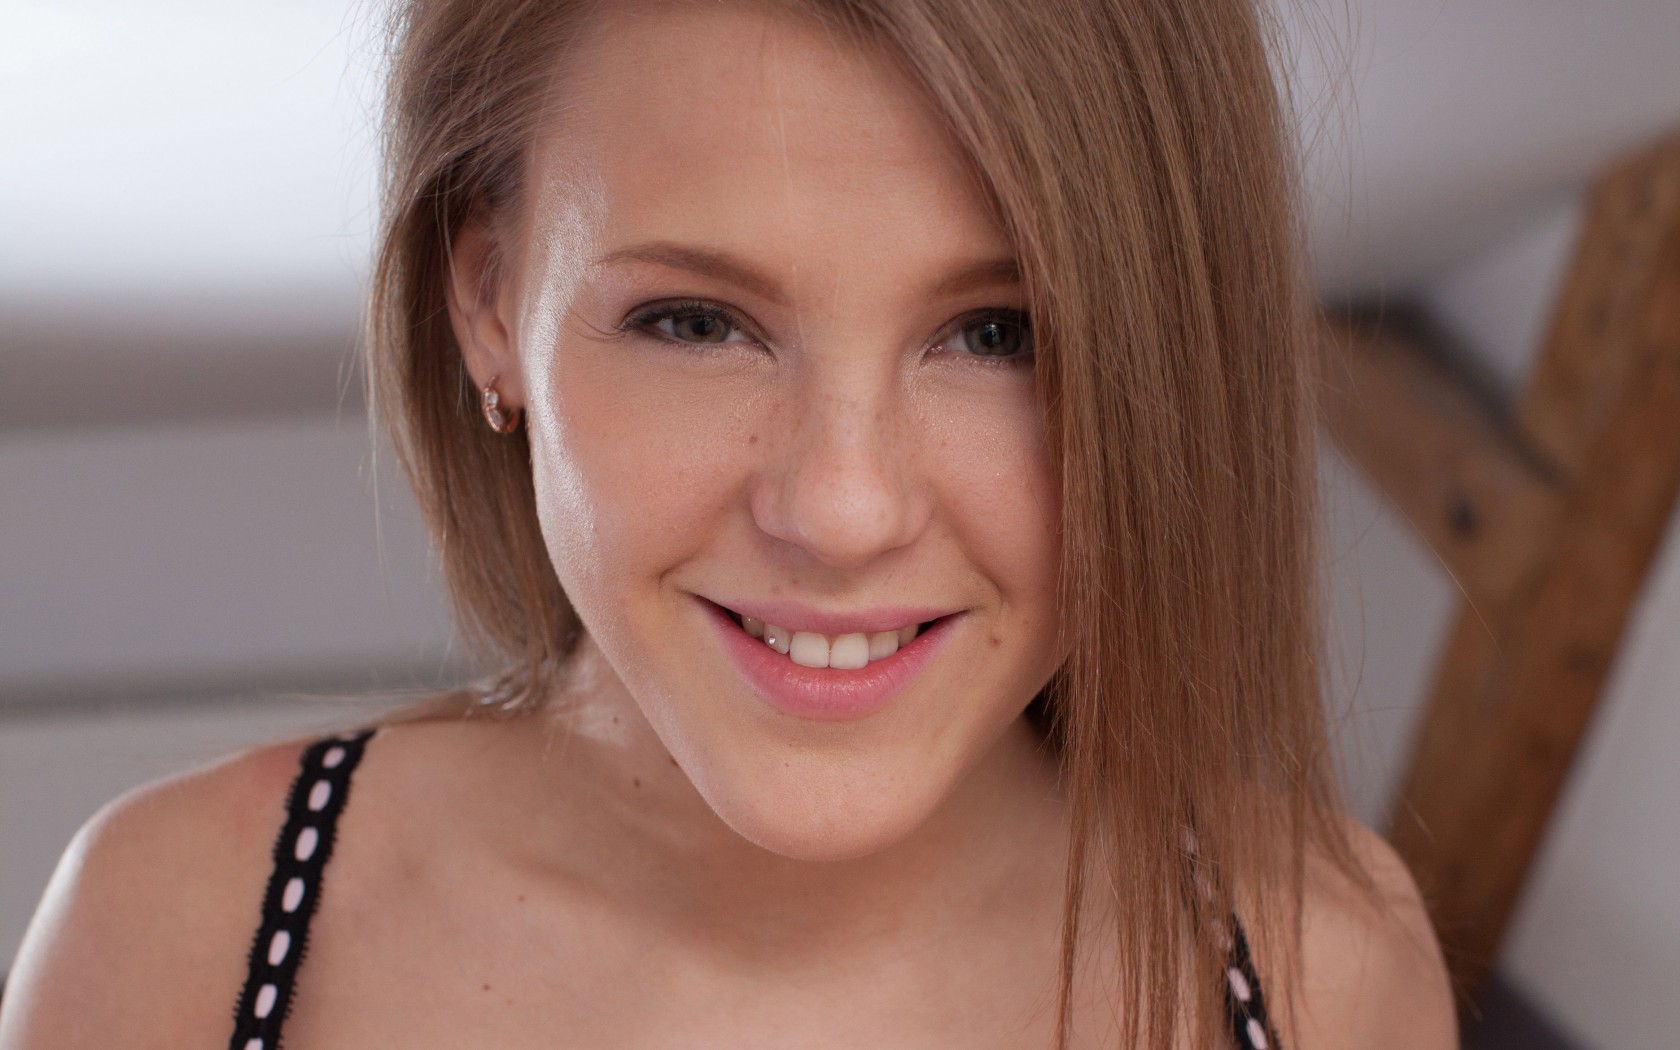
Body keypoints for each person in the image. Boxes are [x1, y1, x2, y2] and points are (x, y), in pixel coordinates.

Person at [0, 0, 1456, 1046]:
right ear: (490, 301)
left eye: (999, 333)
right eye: (696, 321)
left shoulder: (1321, 967)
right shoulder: (180, 937)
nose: (842, 508)